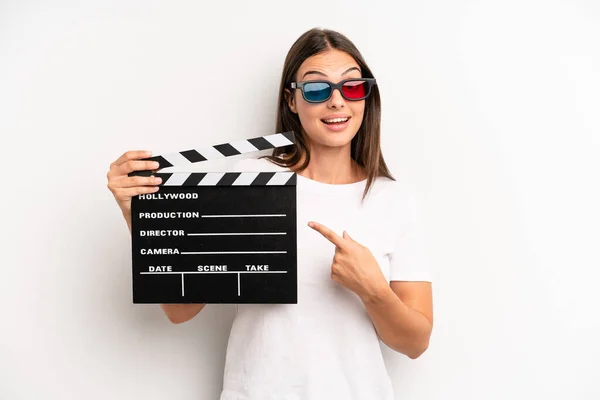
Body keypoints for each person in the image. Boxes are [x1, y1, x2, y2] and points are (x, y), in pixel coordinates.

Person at [107, 27, 433, 400]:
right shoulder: (251, 185)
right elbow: (181, 309)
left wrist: (374, 291)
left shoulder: (394, 200)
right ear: (292, 101)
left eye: (352, 87)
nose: (337, 102)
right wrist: (140, 214)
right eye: (316, 89)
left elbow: (415, 342)